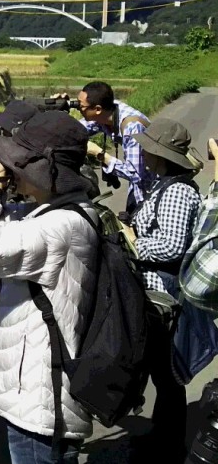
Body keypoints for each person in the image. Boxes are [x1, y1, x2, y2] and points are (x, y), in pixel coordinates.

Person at [0, 111, 99, 464]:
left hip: (41, 400)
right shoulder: (57, 211)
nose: (10, 168)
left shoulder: (58, 228)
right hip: (39, 390)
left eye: (16, 162)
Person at [128, 118, 204, 464]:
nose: (143, 153)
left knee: (167, 375)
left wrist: (133, 243)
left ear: (161, 155)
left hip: (164, 294)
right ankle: (163, 439)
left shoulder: (176, 190)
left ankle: (168, 447)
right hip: (158, 291)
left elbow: (172, 245)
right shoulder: (166, 184)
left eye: (148, 149)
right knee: (163, 374)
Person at [75, 81, 157, 215]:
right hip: (138, 190)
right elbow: (75, 130)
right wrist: (60, 107)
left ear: (97, 109)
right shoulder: (108, 112)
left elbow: (136, 174)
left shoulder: (132, 127)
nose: (78, 109)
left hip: (151, 195)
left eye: (81, 106)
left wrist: (100, 154)